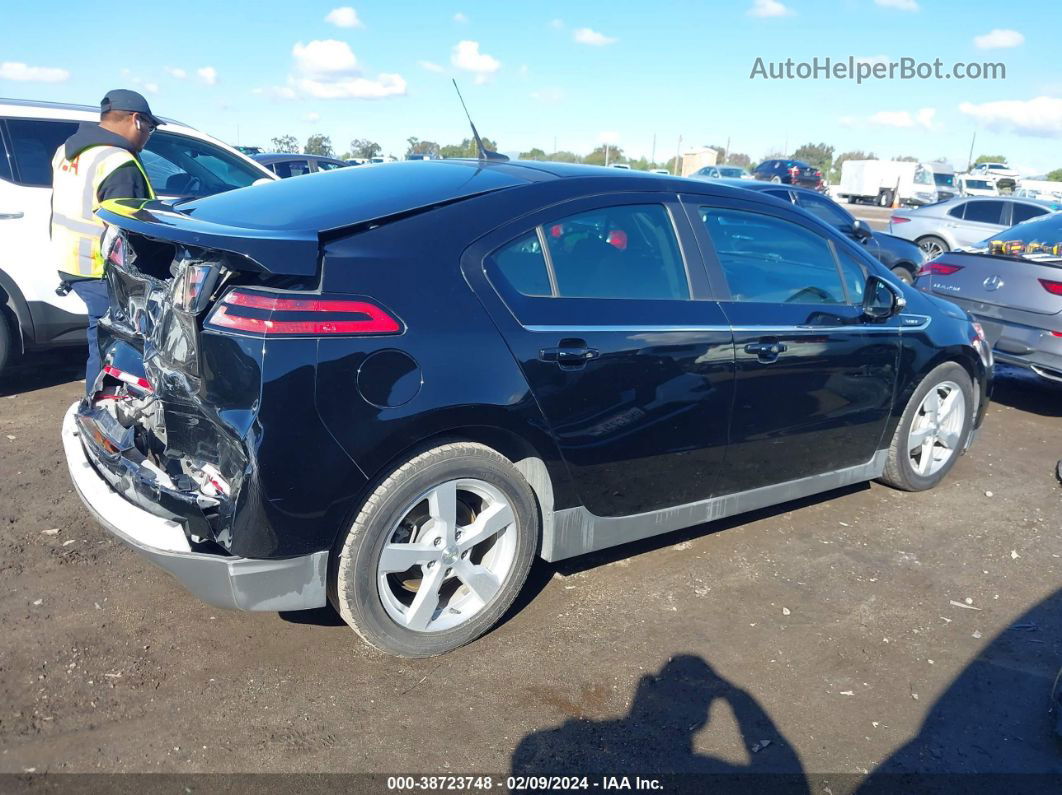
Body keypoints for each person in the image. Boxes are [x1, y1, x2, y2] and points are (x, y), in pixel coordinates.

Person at [50, 89, 158, 391]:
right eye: (150, 127)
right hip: (103, 271)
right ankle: (98, 409)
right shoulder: (118, 161)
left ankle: (98, 403)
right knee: (115, 346)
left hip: (73, 262)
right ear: (137, 121)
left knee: (101, 337)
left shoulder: (69, 150)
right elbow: (132, 231)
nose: (149, 135)